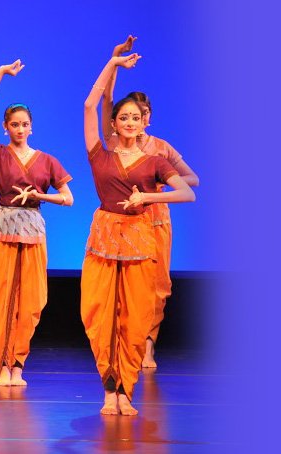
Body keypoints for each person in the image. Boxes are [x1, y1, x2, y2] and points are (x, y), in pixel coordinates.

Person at [81, 51, 195, 415]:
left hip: (140, 239)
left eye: (135, 117)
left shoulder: (155, 160)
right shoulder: (100, 154)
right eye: (123, 118)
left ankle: (126, 391)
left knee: (135, 315)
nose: (130, 122)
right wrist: (112, 64)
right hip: (104, 238)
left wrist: (147, 196)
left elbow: (188, 191)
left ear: (143, 122)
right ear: (113, 124)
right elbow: (90, 105)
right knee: (99, 314)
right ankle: (108, 388)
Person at [101, 36, 201, 368]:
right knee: (122, 282)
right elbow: (106, 100)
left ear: (148, 118)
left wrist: (156, 183)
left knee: (157, 284)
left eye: (142, 114)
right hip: (124, 219)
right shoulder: (115, 141)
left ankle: (147, 343)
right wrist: (115, 59)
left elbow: (192, 180)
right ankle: (122, 340)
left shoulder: (161, 148)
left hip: (156, 220)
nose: (136, 119)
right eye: (130, 114)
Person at [0, 60, 74, 387]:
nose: (20, 129)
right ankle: (3, 366)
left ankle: (18, 364)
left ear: (32, 127)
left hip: (33, 228)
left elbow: (68, 198)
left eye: (25, 124)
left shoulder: (47, 160)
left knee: (31, 301)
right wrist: (0, 74)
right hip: (4, 228)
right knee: (3, 299)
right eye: (14, 124)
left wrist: (39, 196)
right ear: (5, 127)